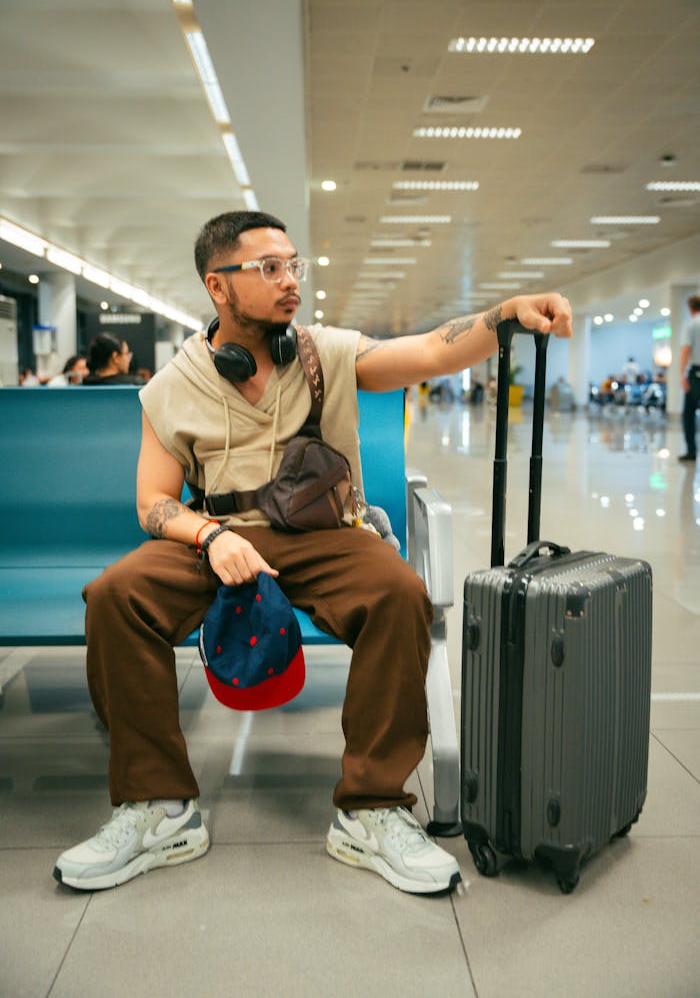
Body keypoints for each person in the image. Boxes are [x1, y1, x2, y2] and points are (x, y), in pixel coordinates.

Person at [54, 210, 572, 896]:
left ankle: (372, 808)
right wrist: (211, 536)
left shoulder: (324, 351)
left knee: (397, 594)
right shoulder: (173, 384)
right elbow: (155, 501)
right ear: (219, 286)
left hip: (325, 536)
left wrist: (505, 314)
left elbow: (428, 353)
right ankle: (158, 807)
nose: (289, 280)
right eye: (268, 269)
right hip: (219, 539)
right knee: (117, 596)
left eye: (294, 264)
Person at [679, 294, 700, 462]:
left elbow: (686, 350)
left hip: (696, 374)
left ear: (690, 308)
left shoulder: (691, 324)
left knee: (689, 414)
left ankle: (692, 450)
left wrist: (681, 374)